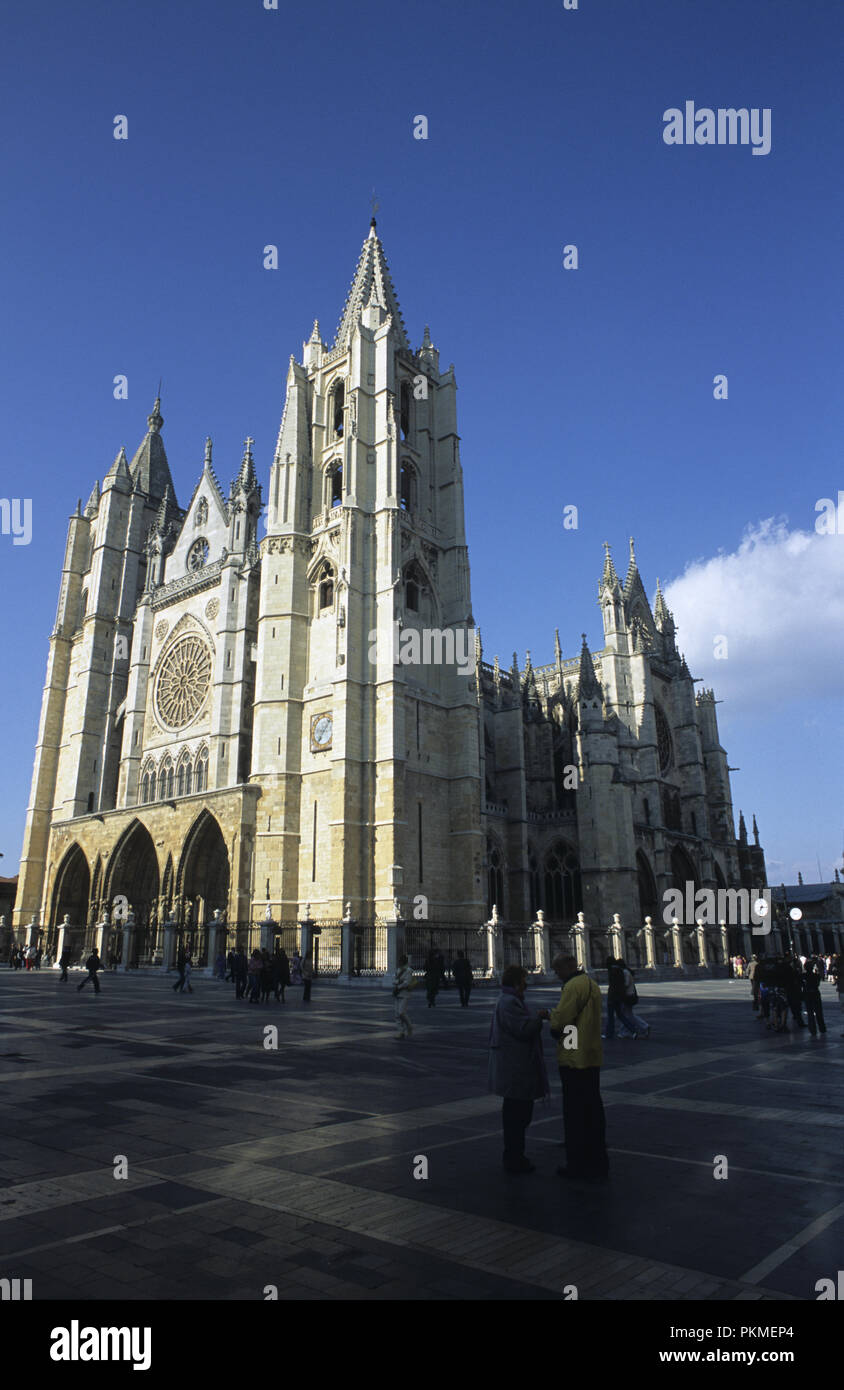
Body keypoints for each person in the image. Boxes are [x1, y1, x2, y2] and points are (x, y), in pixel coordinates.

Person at [549, 955, 608, 1182]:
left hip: (574, 1057)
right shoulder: (591, 984)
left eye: (557, 970)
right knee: (593, 1110)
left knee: (574, 1114)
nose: (556, 974)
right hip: (592, 1054)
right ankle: (598, 1159)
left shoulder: (572, 986)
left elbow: (562, 1020)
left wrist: (549, 1017)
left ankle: (577, 1163)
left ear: (567, 967)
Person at [488, 964, 550, 1173]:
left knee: (518, 1114)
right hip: (514, 1066)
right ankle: (514, 1158)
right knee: (517, 1116)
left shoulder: (510, 1000)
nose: (526, 983)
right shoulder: (508, 1002)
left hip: (515, 1065)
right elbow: (522, 1030)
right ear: (516, 982)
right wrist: (538, 1018)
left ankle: (515, 1156)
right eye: (524, 979)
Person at [603, 957, 634, 1039]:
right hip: (619, 997)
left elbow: (613, 986)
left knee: (610, 1017)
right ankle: (633, 1030)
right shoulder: (620, 971)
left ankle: (609, 1034)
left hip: (612, 997)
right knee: (620, 1015)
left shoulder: (612, 971)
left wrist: (610, 997)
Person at [392, 954, 416, 1038]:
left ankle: (409, 1026)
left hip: (404, 993)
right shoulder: (398, 970)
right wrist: (398, 982)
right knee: (396, 1014)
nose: (399, 962)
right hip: (397, 993)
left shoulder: (409, 970)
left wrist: (399, 985)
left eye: (400, 960)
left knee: (401, 1012)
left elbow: (407, 982)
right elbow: (394, 980)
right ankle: (400, 1031)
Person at [802, 956, 826, 1036]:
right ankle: (822, 1028)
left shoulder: (803, 976)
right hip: (815, 993)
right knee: (819, 1011)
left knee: (810, 1012)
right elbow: (818, 983)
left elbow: (801, 984)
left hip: (807, 994)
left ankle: (813, 1030)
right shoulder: (816, 976)